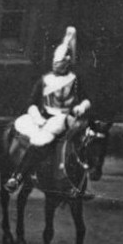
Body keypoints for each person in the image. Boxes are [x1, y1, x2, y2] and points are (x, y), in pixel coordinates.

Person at [12, 26, 92, 154]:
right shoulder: (44, 80)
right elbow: (32, 102)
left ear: (67, 62)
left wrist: (81, 107)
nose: (56, 65)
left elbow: (86, 99)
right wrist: (37, 117)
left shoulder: (75, 79)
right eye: (55, 62)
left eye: (59, 62)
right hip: (44, 117)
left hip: (65, 118)